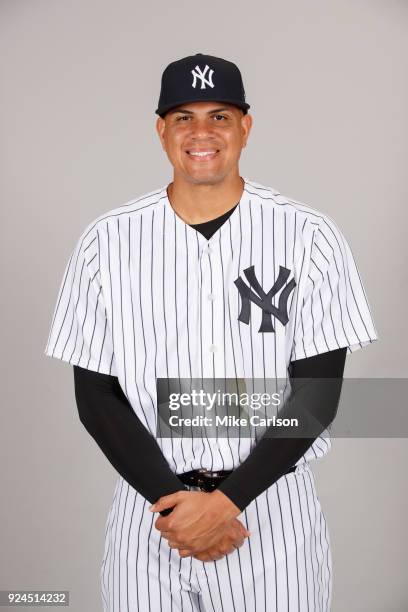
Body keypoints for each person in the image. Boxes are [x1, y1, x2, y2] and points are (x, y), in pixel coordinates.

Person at [44, 53, 378, 611]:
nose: (202, 132)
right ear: (161, 131)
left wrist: (225, 504)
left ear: (245, 127)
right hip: (149, 513)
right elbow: (96, 396)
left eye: (219, 116)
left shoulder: (308, 236)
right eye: (183, 117)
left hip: (268, 512)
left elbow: (318, 393)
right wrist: (177, 508)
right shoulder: (107, 241)